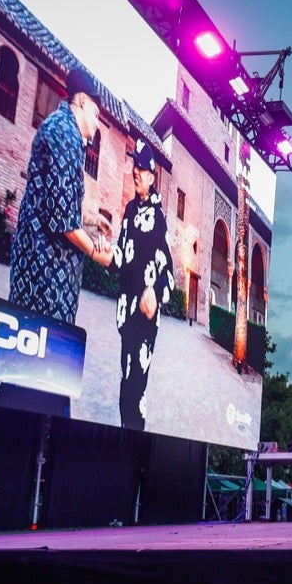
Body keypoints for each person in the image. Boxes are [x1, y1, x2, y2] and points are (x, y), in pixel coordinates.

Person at [0, 67, 112, 415]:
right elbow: (61, 221)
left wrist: (94, 219)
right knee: (40, 364)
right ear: (80, 102)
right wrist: (97, 253)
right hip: (45, 277)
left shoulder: (62, 130)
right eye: (96, 113)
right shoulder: (65, 134)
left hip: (44, 273)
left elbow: (60, 201)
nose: (97, 122)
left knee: (28, 364)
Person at [111, 139, 173, 431]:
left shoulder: (159, 218)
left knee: (136, 389)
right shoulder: (128, 211)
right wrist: (100, 247)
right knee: (126, 382)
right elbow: (120, 258)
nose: (136, 172)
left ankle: (133, 439)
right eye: (134, 165)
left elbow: (169, 272)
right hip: (127, 315)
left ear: (151, 176)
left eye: (142, 167)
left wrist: (155, 291)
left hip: (146, 320)